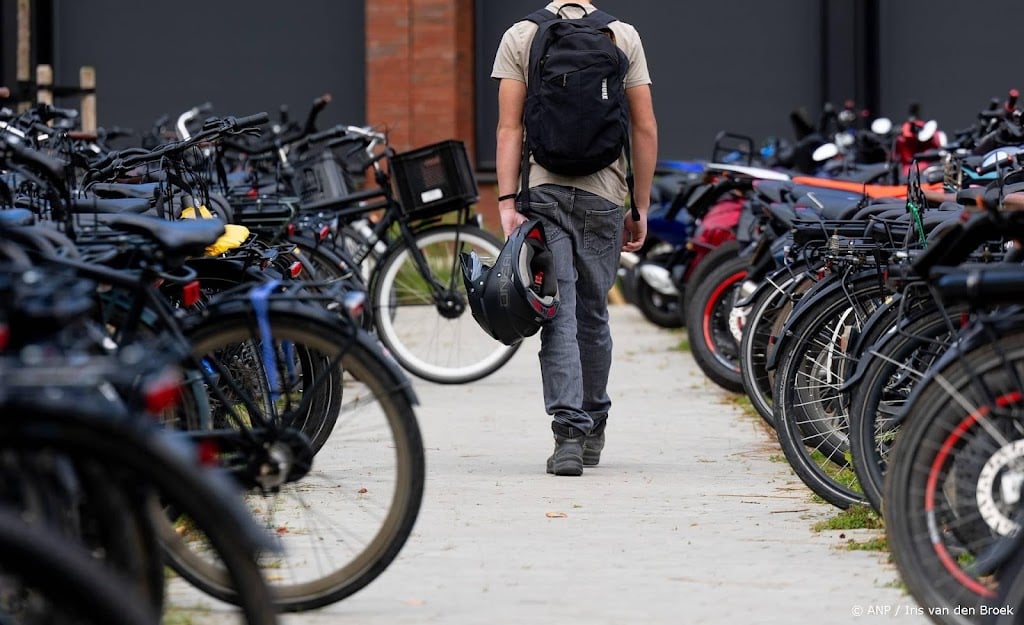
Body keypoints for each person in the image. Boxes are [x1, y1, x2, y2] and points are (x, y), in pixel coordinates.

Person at [491, 1, 658, 476]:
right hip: (604, 195)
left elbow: (510, 127)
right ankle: (595, 421)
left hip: (543, 190)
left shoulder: (521, 35)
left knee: (557, 311)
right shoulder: (622, 35)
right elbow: (644, 128)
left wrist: (506, 201)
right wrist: (638, 205)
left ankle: (568, 432)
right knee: (593, 310)